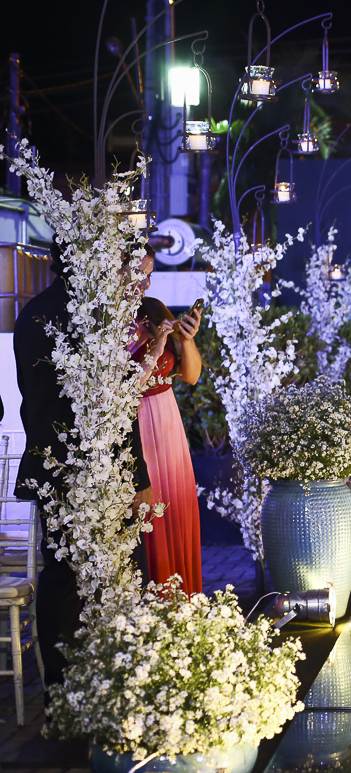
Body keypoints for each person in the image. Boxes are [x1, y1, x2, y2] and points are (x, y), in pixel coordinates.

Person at [13, 243, 154, 703]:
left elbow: (28, 400)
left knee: (61, 572)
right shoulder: (93, 318)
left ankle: (64, 686)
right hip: (93, 467)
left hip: (50, 465)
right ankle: (98, 684)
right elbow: (116, 410)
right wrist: (137, 476)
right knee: (106, 572)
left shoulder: (32, 313)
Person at [129, 249, 205, 592]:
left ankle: (182, 602)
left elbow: (190, 376)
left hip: (168, 420)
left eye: (149, 275)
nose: (144, 283)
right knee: (150, 517)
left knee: (176, 509)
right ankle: (154, 603)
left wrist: (185, 340)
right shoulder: (105, 320)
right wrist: (157, 345)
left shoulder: (153, 309)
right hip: (137, 423)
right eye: (138, 274)